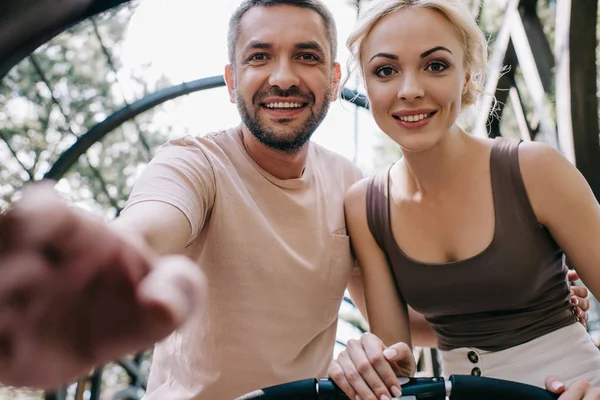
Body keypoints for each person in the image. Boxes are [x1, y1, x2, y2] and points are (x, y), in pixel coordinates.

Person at [0, 0, 592, 399]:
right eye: (259, 56)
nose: (283, 76)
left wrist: (527, 294)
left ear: (335, 80)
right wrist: (110, 258)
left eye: (306, 56)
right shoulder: (194, 163)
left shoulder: (350, 188)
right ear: (232, 79)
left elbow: (405, 333)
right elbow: (151, 223)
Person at [326, 1, 600, 400]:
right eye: (385, 70)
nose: (410, 90)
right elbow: (397, 365)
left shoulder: (534, 169)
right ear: (365, 84)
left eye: (435, 65)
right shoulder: (364, 206)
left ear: (468, 75)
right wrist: (366, 364)